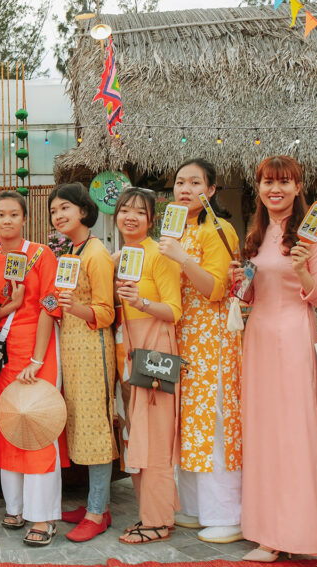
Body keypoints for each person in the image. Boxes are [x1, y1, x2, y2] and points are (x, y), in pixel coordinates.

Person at [234, 155, 317, 562]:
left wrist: (303, 271)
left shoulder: (315, 235)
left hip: (293, 335)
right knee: (262, 432)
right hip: (257, 334)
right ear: (258, 189)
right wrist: (240, 282)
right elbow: (252, 293)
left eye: (284, 182)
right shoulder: (258, 232)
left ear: (297, 187)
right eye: (267, 183)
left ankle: (296, 531)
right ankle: (265, 533)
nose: (275, 189)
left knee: (294, 433)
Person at [156, 159, 243, 544]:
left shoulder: (219, 230)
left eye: (195, 182)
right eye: (179, 182)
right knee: (188, 422)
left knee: (215, 422)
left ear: (210, 190)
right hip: (181, 337)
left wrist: (182, 258)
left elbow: (216, 289)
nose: (185, 189)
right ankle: (193, 507)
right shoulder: (173, 230)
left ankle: (226, 513)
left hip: (213, 338)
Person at [0, 192, 63, 546]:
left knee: (38, 426)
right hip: (2, 355)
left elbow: (51, 303)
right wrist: (8, 301)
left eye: (14, 214)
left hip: (37, 350)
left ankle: (43, 516)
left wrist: (38, 359)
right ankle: (16, 506)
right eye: (0, 215)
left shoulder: (41, 254)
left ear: (25, 218)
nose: (7, 220)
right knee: (7, 426)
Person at [111, 188, 183, 545]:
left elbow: (174, 310)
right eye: (125, 210)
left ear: (152, 220)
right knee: (135, 434)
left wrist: (141, 301)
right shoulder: (123, 256)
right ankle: (152, 514)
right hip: (130, 347)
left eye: (140, 212)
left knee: (154, 436)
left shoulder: (160, 255)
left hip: (155, 348)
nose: (131, 217)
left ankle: (156, 520)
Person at [47, 183, 118, 543]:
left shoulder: (97, 254)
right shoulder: (73, 252)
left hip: (93, 349)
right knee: (80, 426)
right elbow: (62, 302)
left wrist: (71, 307)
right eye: (54, 210)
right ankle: (97, 503)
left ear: (84, 211)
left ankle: (96, 513)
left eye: (65, 208)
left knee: (96, 430)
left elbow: (106, 312)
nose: (59, 215)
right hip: (73, 349)